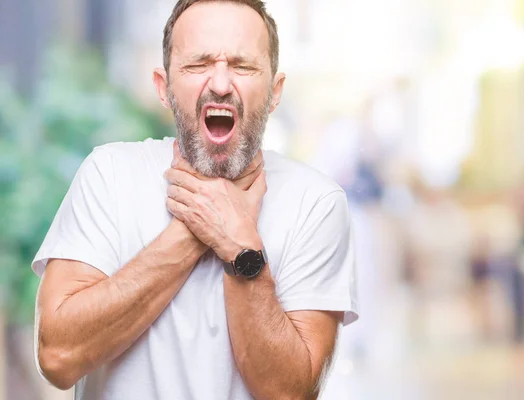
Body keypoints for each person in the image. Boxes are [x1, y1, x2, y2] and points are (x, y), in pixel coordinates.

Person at [32, 1, 358, 399]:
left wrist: (242, 250)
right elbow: (58, 357)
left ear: (275, 92)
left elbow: (290, 394)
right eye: (198, 64)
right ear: (163, 87)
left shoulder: (316, 203)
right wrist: (195, 229)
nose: (220, 84)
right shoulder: (109, 174)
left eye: (242, 65)